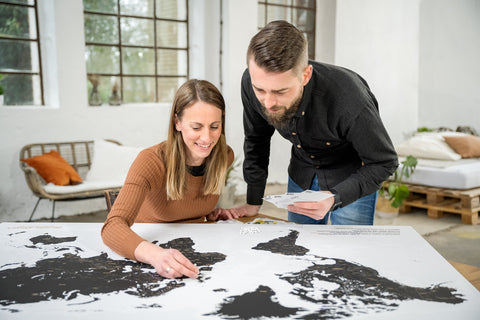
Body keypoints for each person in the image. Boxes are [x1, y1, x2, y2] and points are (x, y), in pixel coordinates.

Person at [221, 20, 398, 225]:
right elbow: (256, 138)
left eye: (280, 91)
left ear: (305, 76)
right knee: (299, 247)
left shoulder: (350, 99)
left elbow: (384, 162)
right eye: (260, 90)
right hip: (302, 171)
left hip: (351, 173)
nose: (268, 103)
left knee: (349, 252)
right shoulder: (250, 83)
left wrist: (335, 198)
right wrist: (253, 200)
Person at [101, 79, 237, 279]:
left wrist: (210, 213)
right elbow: (112, 227)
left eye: (214, 126)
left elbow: (188, 203)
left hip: (195, 251)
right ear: (177, 123)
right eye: (196, 127)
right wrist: (156, 255)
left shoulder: (224, 156)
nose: (207, 139)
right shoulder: (151, 161)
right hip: (149, 255)